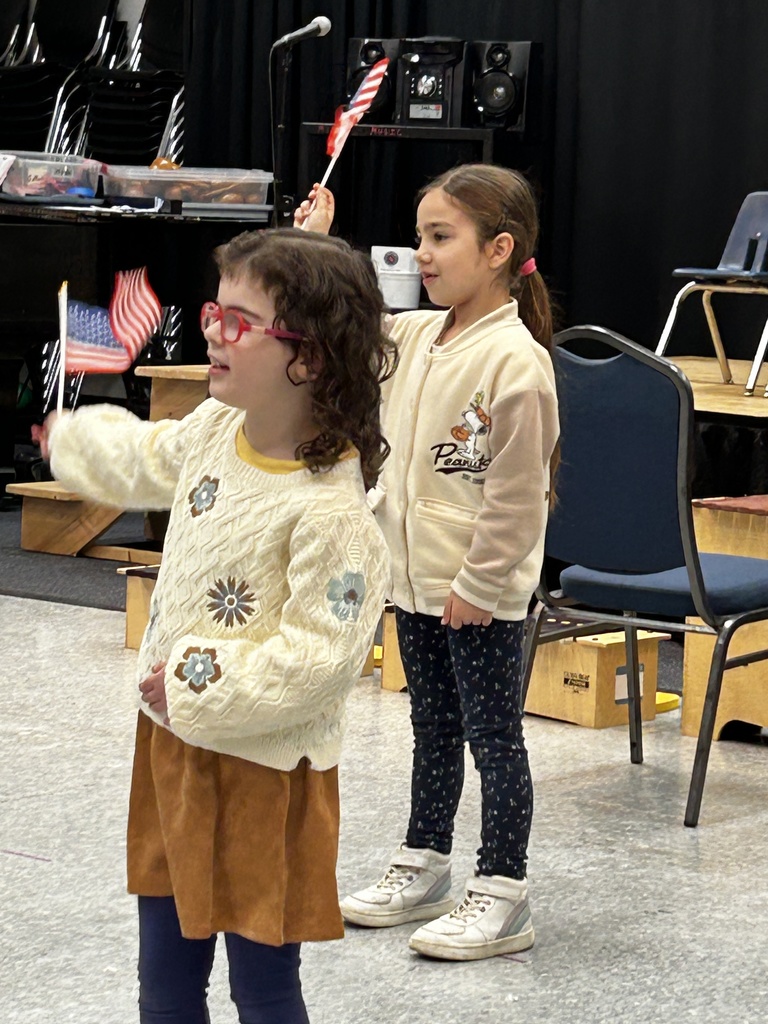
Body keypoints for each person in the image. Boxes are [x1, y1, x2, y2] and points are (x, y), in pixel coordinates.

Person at [40, 228, 396, 1022]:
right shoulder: (212, 430)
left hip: (262, 776)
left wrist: (197, 679)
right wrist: (78, 441)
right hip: (172, 749)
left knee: (263, 989)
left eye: (238, 321)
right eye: (213, 311)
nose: (211, 331)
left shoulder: (331, 513)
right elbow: (143, 456)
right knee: (164, 986)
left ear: (305, 358)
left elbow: (321, 659)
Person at [294, 164, 559, 962]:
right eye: (420, 238)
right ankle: (425, 861)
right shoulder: (414, 336)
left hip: (476, 596)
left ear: (499, 249)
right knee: (432, 728)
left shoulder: (516, 362)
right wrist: (314, 249)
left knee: (494, 738)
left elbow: (519, 497)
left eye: (441, 238)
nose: (424, 255)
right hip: (410, 583)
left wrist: (478, 586)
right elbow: (348, 321)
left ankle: (503, 890)